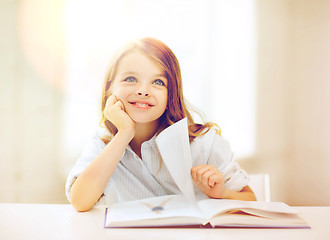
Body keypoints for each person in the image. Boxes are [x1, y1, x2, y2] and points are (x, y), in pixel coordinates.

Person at [66, 38, 256, 212]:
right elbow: (80, 201)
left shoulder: (203, 143)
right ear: (110, 88)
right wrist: (124, 133)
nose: (143, 91)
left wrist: (222, 193)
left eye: (157, 82)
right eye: (130, 79)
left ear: (171, 93)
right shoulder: (103, 144)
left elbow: (251, 200)